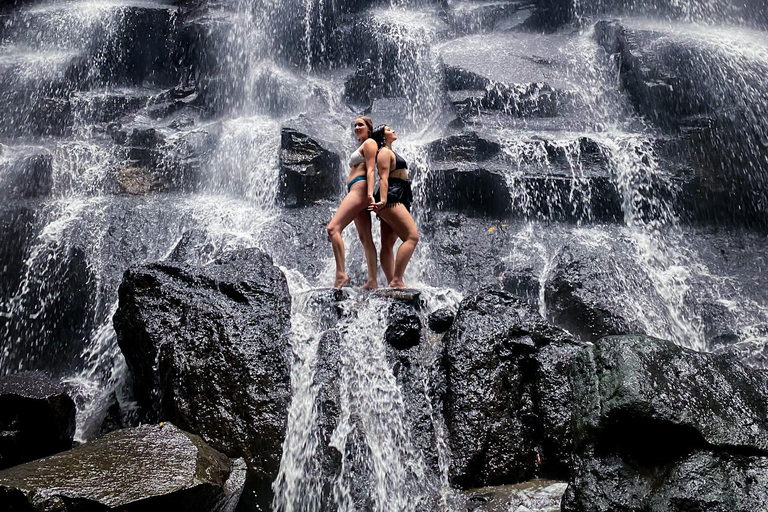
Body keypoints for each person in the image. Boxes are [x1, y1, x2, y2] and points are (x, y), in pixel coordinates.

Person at [326, 116, 379, 289]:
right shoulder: (363, 145)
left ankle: (340, 274)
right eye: (355, 125)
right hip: (356, 189)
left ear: (369, 128)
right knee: (365, 238)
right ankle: (372, 281)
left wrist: (370, 193)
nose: (357, 127)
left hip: (360, 189)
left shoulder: (370, 143)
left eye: (360, 125)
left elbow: (371, 169)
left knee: (333, 229)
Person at [370, 125, 419, 289]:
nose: (393, 131)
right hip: (391, 196)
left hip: (398, 193)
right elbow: (383, 178)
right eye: (389, 130)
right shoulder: (384, 152)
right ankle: (397, 280)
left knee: (388, 243)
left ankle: (392, 282)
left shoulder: (388, 151)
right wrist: (383, 200)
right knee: (412, 237)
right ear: (383, 137)